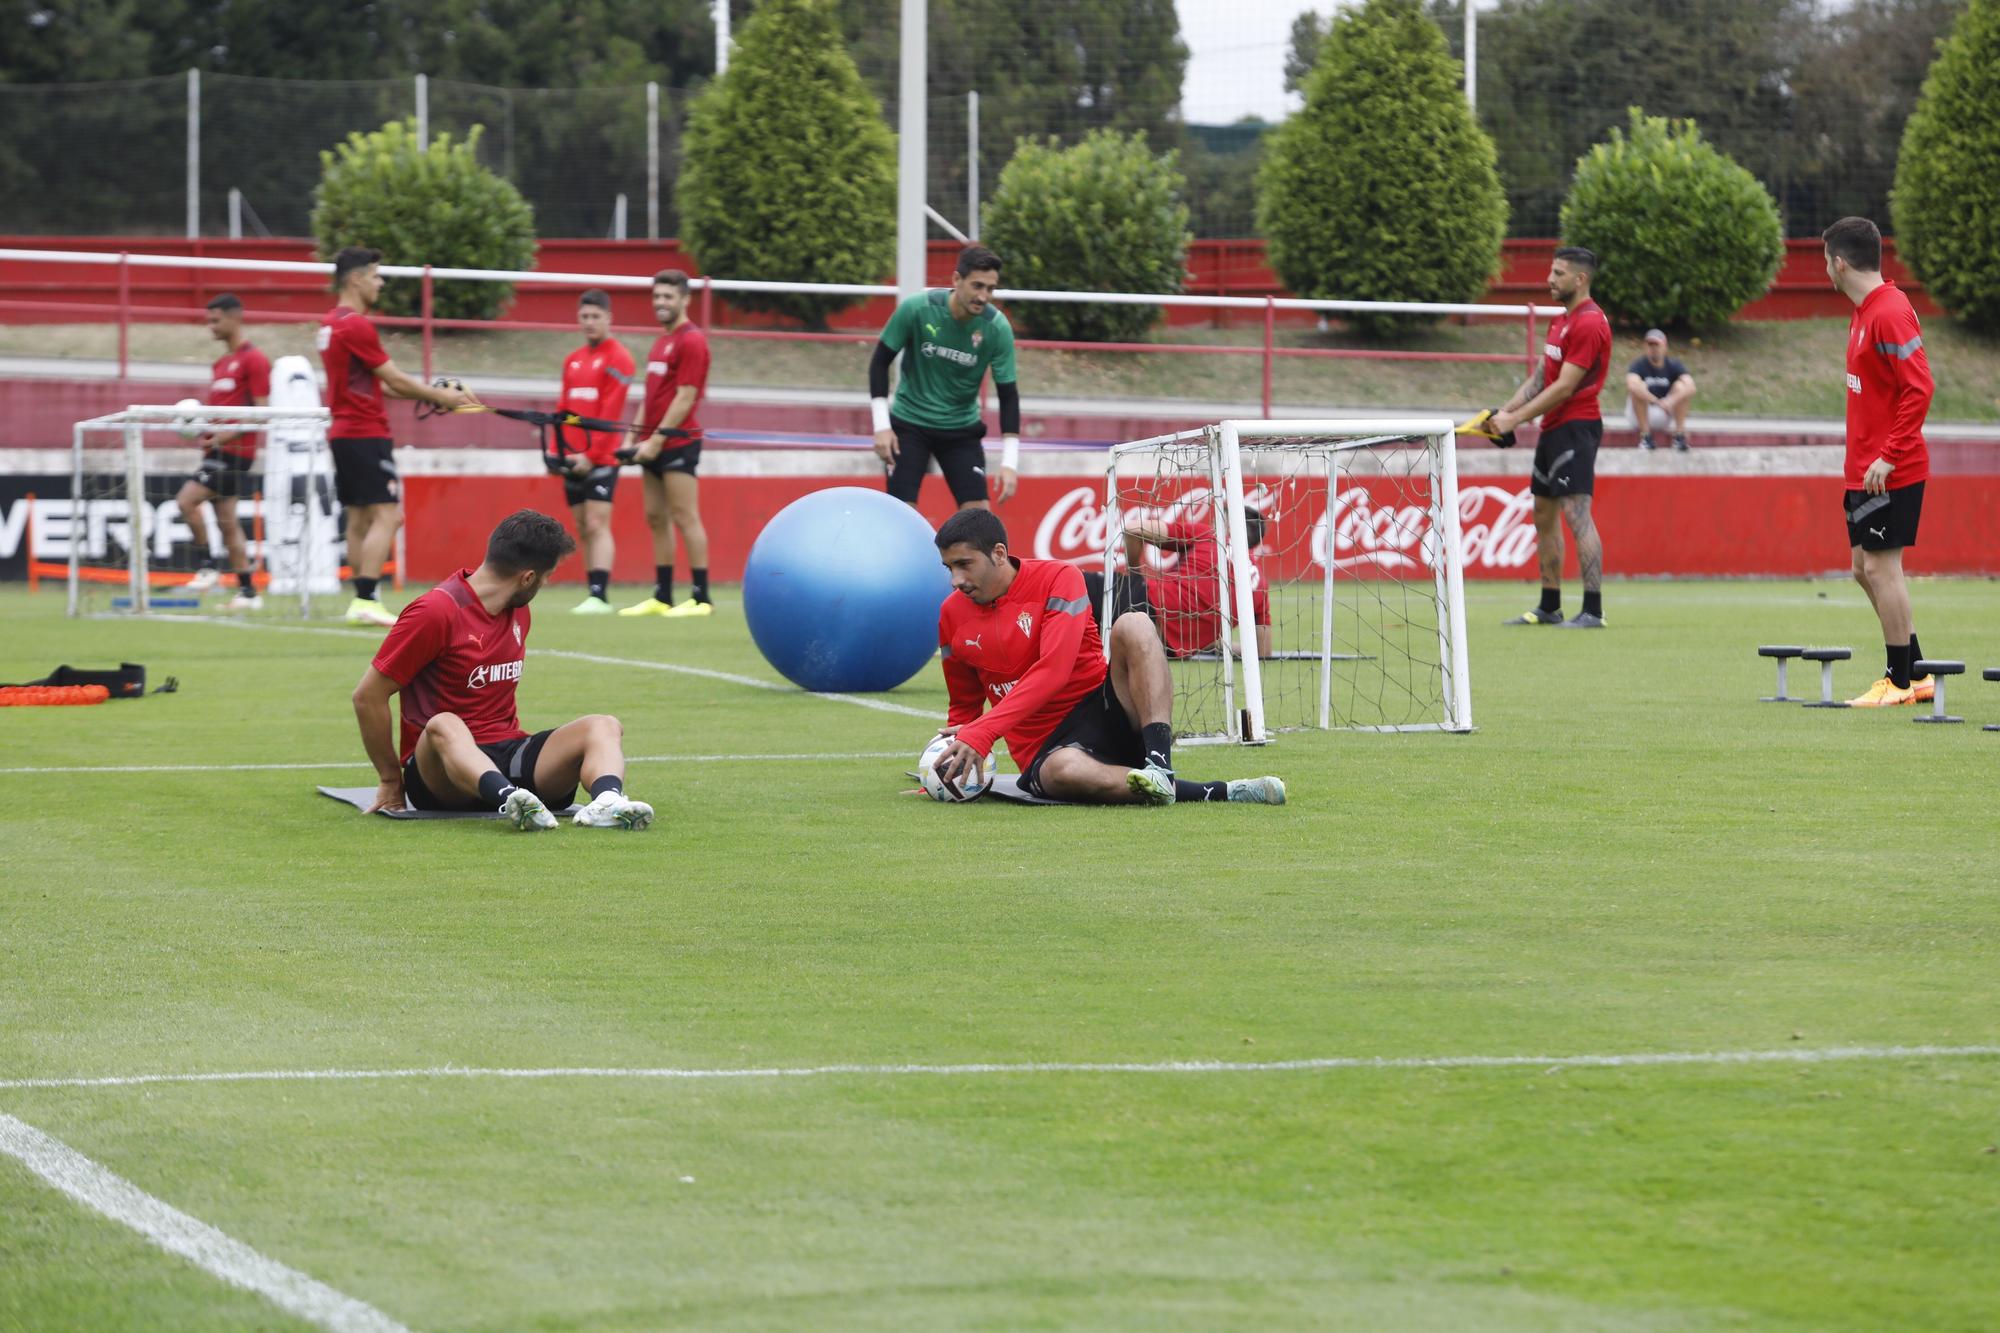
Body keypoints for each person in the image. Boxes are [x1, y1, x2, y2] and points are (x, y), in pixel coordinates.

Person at [929, 509, 1285, 807]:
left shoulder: (1059, 576)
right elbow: (963, 707)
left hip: (1103, 707)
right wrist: (942, 769)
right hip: (1046, 750)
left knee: (1134, 622)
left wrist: (985, 730)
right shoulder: (950, 614)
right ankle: (1217, 791)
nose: (955, 579)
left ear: (999, 554)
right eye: (949, 567)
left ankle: (1159, 764)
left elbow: (1053, 671)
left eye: (964, 564)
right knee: (1062, 772)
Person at [350, 509, 655, 830]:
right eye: (545, 576)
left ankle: (607, 802)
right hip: (440, 772)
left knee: (603, 725)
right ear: (527, 577)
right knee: (444, 724)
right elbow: (368, 696)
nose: (546, 583)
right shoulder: (434, 612)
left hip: (508, 752)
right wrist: (389, 779)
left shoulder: (519, 613)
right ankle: (511, 799)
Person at [317, 246, 472, 626]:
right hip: (365, 433)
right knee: (389, 515)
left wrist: (433, 395)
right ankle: (367, 598)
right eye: (375, 275)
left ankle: (360, 600)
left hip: (343, 432)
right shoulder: (355, 324)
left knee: (358, 518)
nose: (380, 283)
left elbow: (380, 386)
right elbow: (394, 378)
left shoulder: (329, 324)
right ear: (356, 279)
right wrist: (442, 396)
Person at [1823, 216, 1935, 708]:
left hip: (1892, 468)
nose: (1825, 269)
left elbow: (1920, 387)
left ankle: (1899, 681)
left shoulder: (1889, 311)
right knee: (1861, 568)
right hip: (1865, 470)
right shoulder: (1864, 310)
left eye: (1827, 260)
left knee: (1881, 568)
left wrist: (1889, 456)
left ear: (1840, 262)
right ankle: (1918, 670)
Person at [1492, 246, 1613, 629]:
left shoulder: (1590, 323)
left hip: (1577, 427)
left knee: (1578, 514)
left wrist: (1515, 422)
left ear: (1580, 279)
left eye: (1558, 273)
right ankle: (1549, 606)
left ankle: (1593, 610)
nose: (1549, 279)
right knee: (1543, 514)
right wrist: (1505, 412)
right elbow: (1543, 375)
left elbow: (1564, 387)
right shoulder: (1560, 321)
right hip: (1552, 429)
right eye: (1551, 271)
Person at [869, 244, 1020, 512]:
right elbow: (879, 363)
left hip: (961, 430)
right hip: (909, 424)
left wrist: (1010, 463)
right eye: (977, 286)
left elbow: (1008, 394)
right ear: (956, 280)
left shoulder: (997, 328)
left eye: (990, 289)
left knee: (978, 519)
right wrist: (882, 426)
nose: (983, 296)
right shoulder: (917, 309)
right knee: (901, 514)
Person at [619, 269, 713, 618]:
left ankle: (702, 598)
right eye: (657, 296)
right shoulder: (662, 341)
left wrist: (657, 440)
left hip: (677, 443)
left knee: (685, 516)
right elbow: (652, 394)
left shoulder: (692, 340)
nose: (660, 302)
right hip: (650, 444)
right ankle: (663, 596)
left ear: (685, 299)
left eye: (668, 296)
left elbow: (686, 397)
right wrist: (633, 435)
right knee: (656, 517)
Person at [175, 294, 271, 611]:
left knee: (186, 501)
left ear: (235, 318)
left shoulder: (254, 360)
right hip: (217, 451)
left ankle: (207, 568)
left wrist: (223, 437)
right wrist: (204, 430)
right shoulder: (220, 364)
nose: (211, 327)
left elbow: (262, 413)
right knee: (227, 522)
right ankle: (247, 592)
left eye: (216, 320)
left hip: (235, 454)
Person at [555, 289, 636, 614]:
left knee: (596, 522)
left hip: (601, 458)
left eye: (595, 317)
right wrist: (556, 451)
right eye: (584, 317)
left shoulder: (619, 358)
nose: (589, 322)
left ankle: (600, 595)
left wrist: (591, 455)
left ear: (608, 318)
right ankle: (592, 591)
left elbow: (609, 413)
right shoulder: (572, 360)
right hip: (572, 457)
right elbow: (562, 409)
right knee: (582, 526)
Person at [1120, 508, 1273, 659]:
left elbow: (1133, 528)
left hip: (1141, 607)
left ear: (1229, 528)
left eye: (1218, 520)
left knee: (1100, 587)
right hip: (1169, 648)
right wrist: (1220, 645)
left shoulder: (1211, 536)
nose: (1213, 523)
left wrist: (1135, 575)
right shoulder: (1261, 585)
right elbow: (1264, 652)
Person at [1625, 328, 1696, 452]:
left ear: (1665, 347)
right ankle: (1646, 438)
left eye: (1657, 345)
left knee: (1681, 387)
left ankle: (1679, 437)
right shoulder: (1638, 365)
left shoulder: (1674, 365)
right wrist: (1655, 400)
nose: (1653, 348)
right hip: (1639, 415)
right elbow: (1632, 385)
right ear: (1645, 347)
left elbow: (1691, 386)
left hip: (1664, 411)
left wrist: (1670, 401)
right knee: (1639, 387)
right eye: (1650, 345)